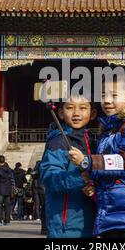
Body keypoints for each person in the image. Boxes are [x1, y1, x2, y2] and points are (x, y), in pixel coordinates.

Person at [69, 76, 125, 238]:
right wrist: (93, 183)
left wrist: (87, 161)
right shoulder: (108, 132)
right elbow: (109, 170)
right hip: (111, 214)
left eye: (114, 95)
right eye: (103, 95)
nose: (107, 100)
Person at [40, 96, 97, 238]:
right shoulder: (59, 141)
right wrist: (81, 178)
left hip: (91, 222)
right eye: (70, 107)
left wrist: (93, 185)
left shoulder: (93, 142)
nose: (76, 113)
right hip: (66, 225)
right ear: (60, 113)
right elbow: (49, 178)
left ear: (93, 113)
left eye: (83, 108)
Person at [0, 155, 14, 226]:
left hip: (0, 189)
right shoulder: (9, 169)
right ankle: (7, 220)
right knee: (7, 205)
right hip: (8, 189)